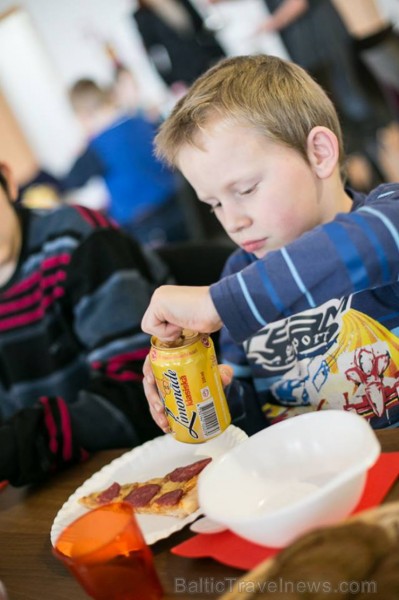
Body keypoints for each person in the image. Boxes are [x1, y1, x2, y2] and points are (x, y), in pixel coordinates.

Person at [141, 54, 399, 435]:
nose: (232, 221)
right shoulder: (238, 273)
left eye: (246, 190)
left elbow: (380, 238)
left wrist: (217, 303)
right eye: (214, 205)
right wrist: (202, 391)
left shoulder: (386, 216)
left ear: (319, 154)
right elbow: (253, 420)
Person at [0, 161, 170, 486]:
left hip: (145, 473)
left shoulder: (78, 240)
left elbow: (142, 395)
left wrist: (22, 441)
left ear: (7, 180)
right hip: (46, 489)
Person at [60, 79, 189, 247]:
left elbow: (70, 181)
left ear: (83, 116)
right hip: (181, 204)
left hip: (146, 225)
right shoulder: (140, 121)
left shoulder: (98, 146)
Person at [132, 0, 225, 93]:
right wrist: (171, 81)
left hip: (207, 59)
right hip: (185, 73)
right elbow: (156, 52)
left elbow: (201, 28)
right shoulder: (142, 16)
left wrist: (218, 52)